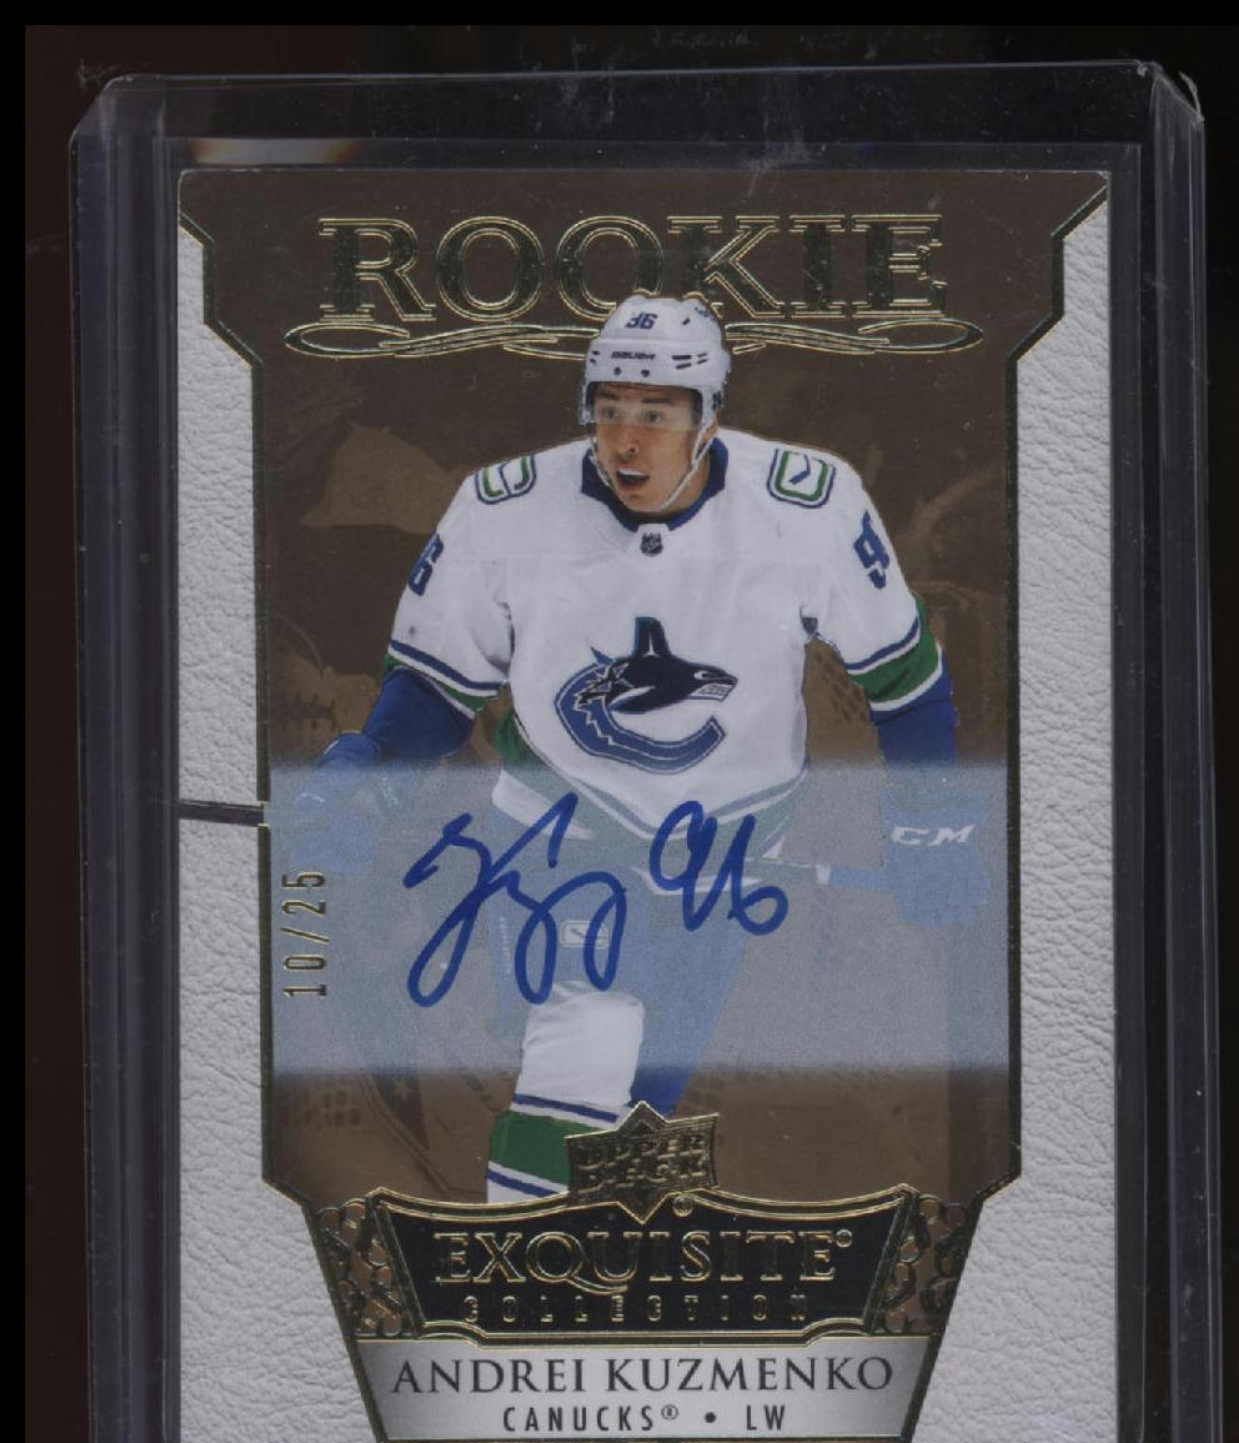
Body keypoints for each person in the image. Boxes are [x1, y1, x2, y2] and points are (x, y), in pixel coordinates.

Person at [312, 294, 970, 1202]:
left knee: (640, 1104)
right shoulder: (506, 509)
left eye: (656, 414)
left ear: (707, 418)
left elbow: (903, 680)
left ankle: (591, 1248)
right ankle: (524, 1258)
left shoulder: (805, 506)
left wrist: (931, 819)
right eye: (609, 408)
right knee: (584, 1042)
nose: (626, 439)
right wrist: (374, 772)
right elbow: (436, 682)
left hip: (729, 849)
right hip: (562, 833)